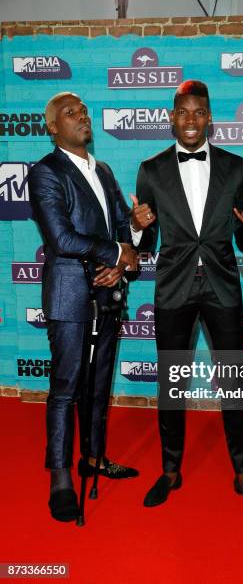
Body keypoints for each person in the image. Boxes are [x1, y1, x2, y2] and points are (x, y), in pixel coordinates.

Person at [131, 80, 243, 513]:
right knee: (171, 384)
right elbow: (146, 240)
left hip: (223, 286)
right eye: (183, 112)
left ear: (210, 118)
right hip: (173, 288)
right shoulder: (150, 169)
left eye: (199, 112)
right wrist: (136, 227)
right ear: (171, 117)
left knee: (234, 381)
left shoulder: (235, 166)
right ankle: (170, 470)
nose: (191, 120)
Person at [28, 92, 139, 522]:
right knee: (66, 389)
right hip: (70, 297)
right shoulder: (45, 173)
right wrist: (115, 252)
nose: (82, 118)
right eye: (69, 114)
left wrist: (134, 235)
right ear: (53, 127)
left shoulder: (104, 170)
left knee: (97, 388)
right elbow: (62, 239)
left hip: (107, 294)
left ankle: (93, 458)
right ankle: (60, 478)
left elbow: (119, 228)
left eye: (85, 111)